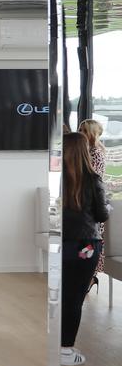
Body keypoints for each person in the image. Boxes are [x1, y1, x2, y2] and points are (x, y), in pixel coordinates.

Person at [61, 131, 109, 366]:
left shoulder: (57, 178)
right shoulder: (92, 179)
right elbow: (102, 214)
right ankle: (65, 350)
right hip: (86, 246)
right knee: (74, 298)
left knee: (59, 295)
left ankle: (55, 345)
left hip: (60, 244)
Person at [79, 118, 107, 286]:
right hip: (88, 202)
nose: (80, 133)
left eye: (84, 130)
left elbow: (91, 179)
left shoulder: (94, 153)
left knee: (89, 242)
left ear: (91, 134)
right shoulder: (88, 151)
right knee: (85, 242)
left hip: (92, 204)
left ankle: (88, 276)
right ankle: (86, 276)